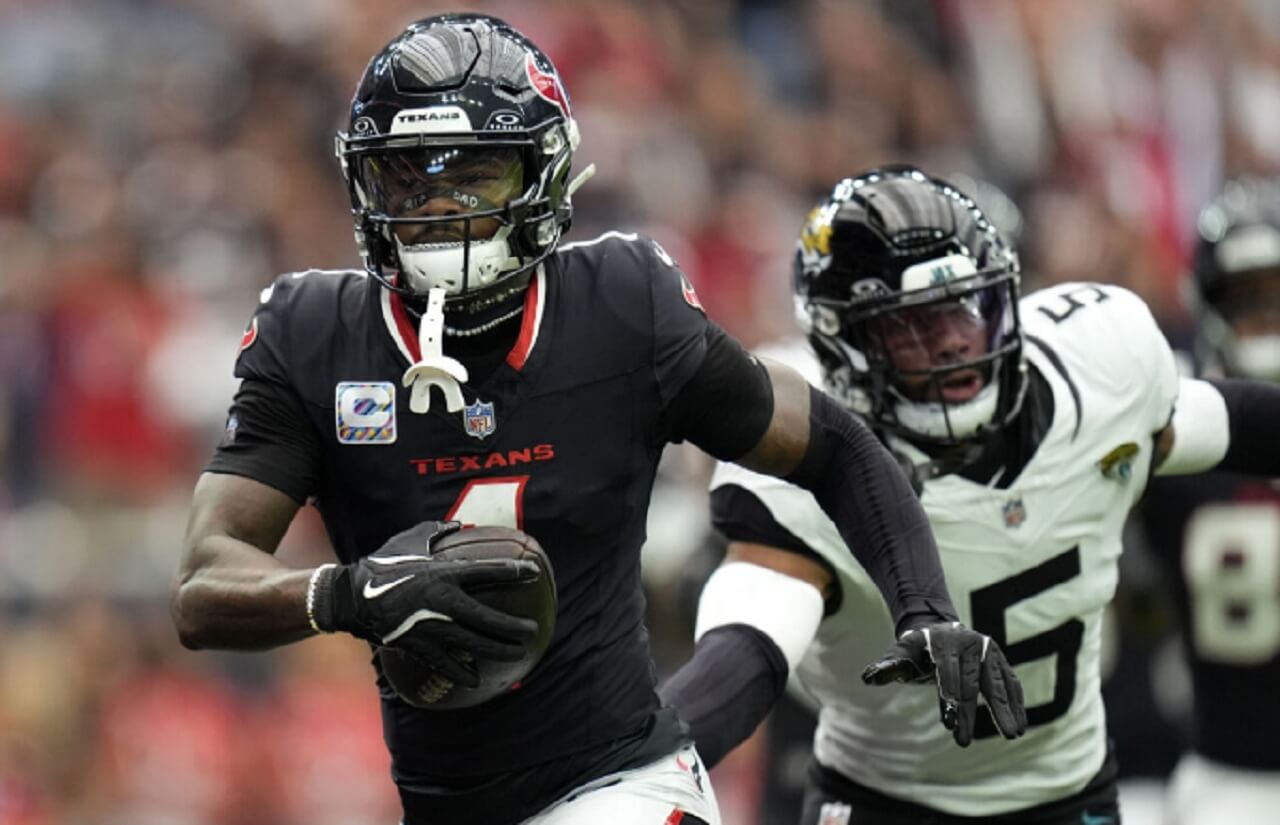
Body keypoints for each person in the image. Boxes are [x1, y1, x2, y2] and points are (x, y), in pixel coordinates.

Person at [169, 18, 1025, 825]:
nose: (439, 208)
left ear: (542, 175)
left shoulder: (621, 306)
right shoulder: (311, 332)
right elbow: (206, 582)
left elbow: (831, 443)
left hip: (623, 781)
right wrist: (348, 592)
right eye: (408, 177)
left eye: (475, 175)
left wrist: (924, 607)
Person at [660, 165, 1280, 824]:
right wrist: (657, 765)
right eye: (914, 326)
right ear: (848, 348)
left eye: (967, 307)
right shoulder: (809, 456)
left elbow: (1230, 422)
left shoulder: (1097, 375)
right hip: (886, 804)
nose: (955, 339)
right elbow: (746, 649)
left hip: (1067, 794)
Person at [1136, 177, 1280, 825]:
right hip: (1230, 771)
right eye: (1250, 298)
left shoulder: (1172, 427)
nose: (1269, 316)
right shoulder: (1173, 430)